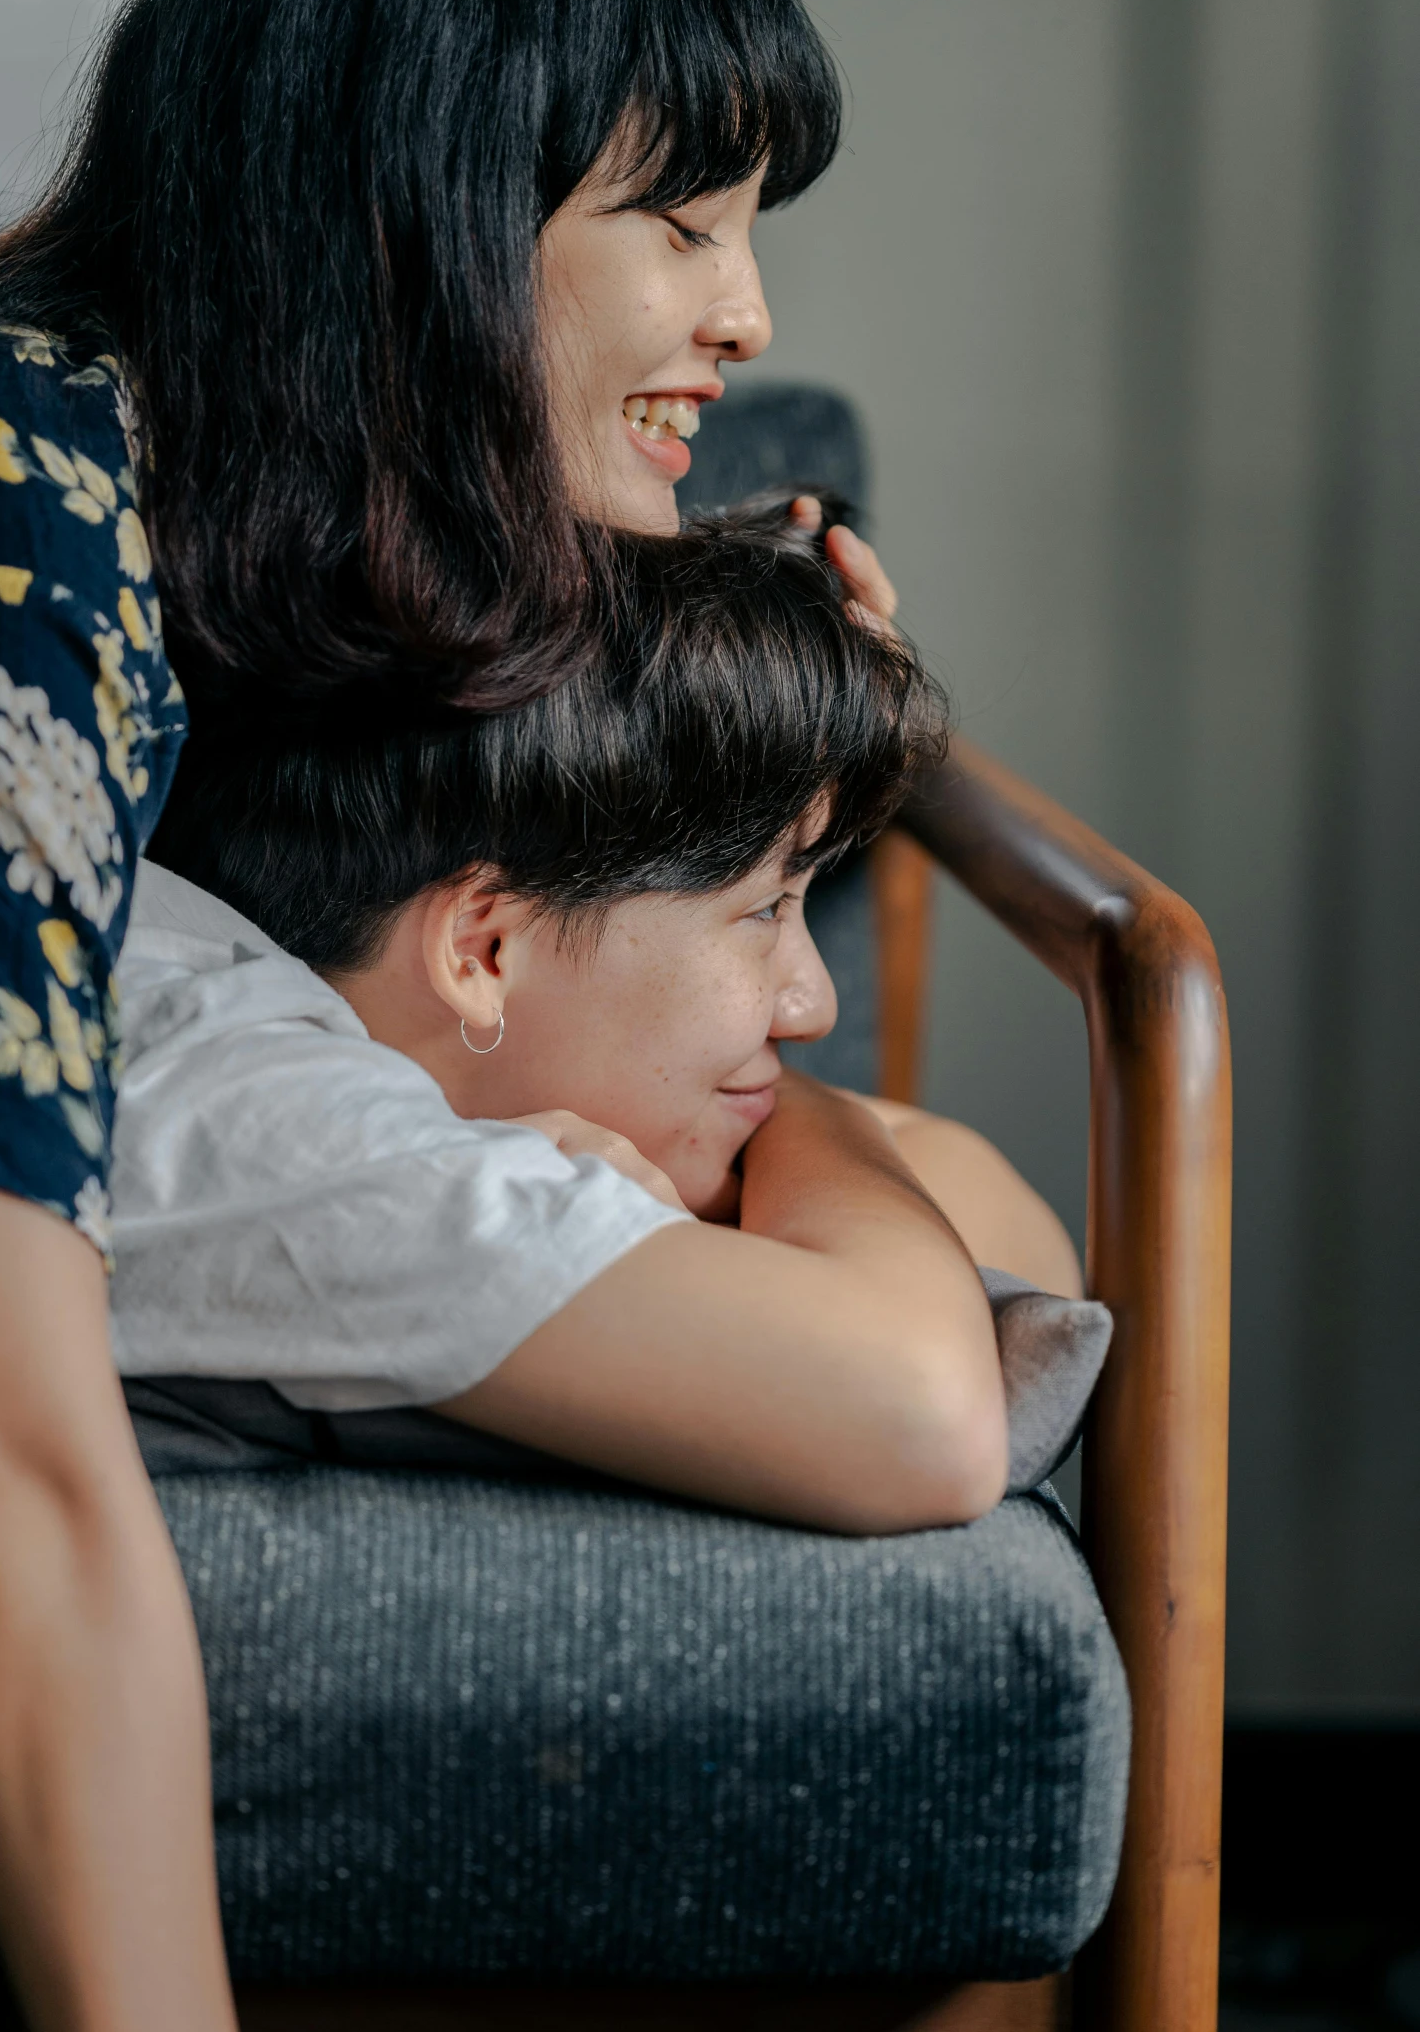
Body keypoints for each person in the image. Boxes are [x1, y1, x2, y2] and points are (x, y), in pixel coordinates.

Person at [0, 0, 969, 2032]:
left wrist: (756, 699)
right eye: (678, 222)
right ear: (426, 222)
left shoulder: (144, 507)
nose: (742, 316)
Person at [113, 520, 1079, 1527]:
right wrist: (812, 1122)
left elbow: (1008, 1218)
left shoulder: (258, 1008)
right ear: (483, 953)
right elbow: (930, 1414)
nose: (813, 1005)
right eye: (761, 909)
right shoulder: (289, 1136)